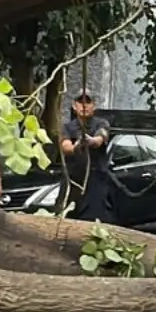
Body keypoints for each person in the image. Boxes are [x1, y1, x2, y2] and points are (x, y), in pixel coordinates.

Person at [60, 89, 114, 222]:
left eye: (88, 102)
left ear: (93, 106)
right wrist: (76, 147)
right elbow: (66, 147)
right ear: (74, 106)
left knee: (95, 221)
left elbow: (100, 139)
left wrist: (90, 141)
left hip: (95, 181)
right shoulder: (67, 127)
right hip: (73, 182)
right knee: (65, 219)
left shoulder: (102, 123)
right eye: (80, 102)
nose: (84, 106)